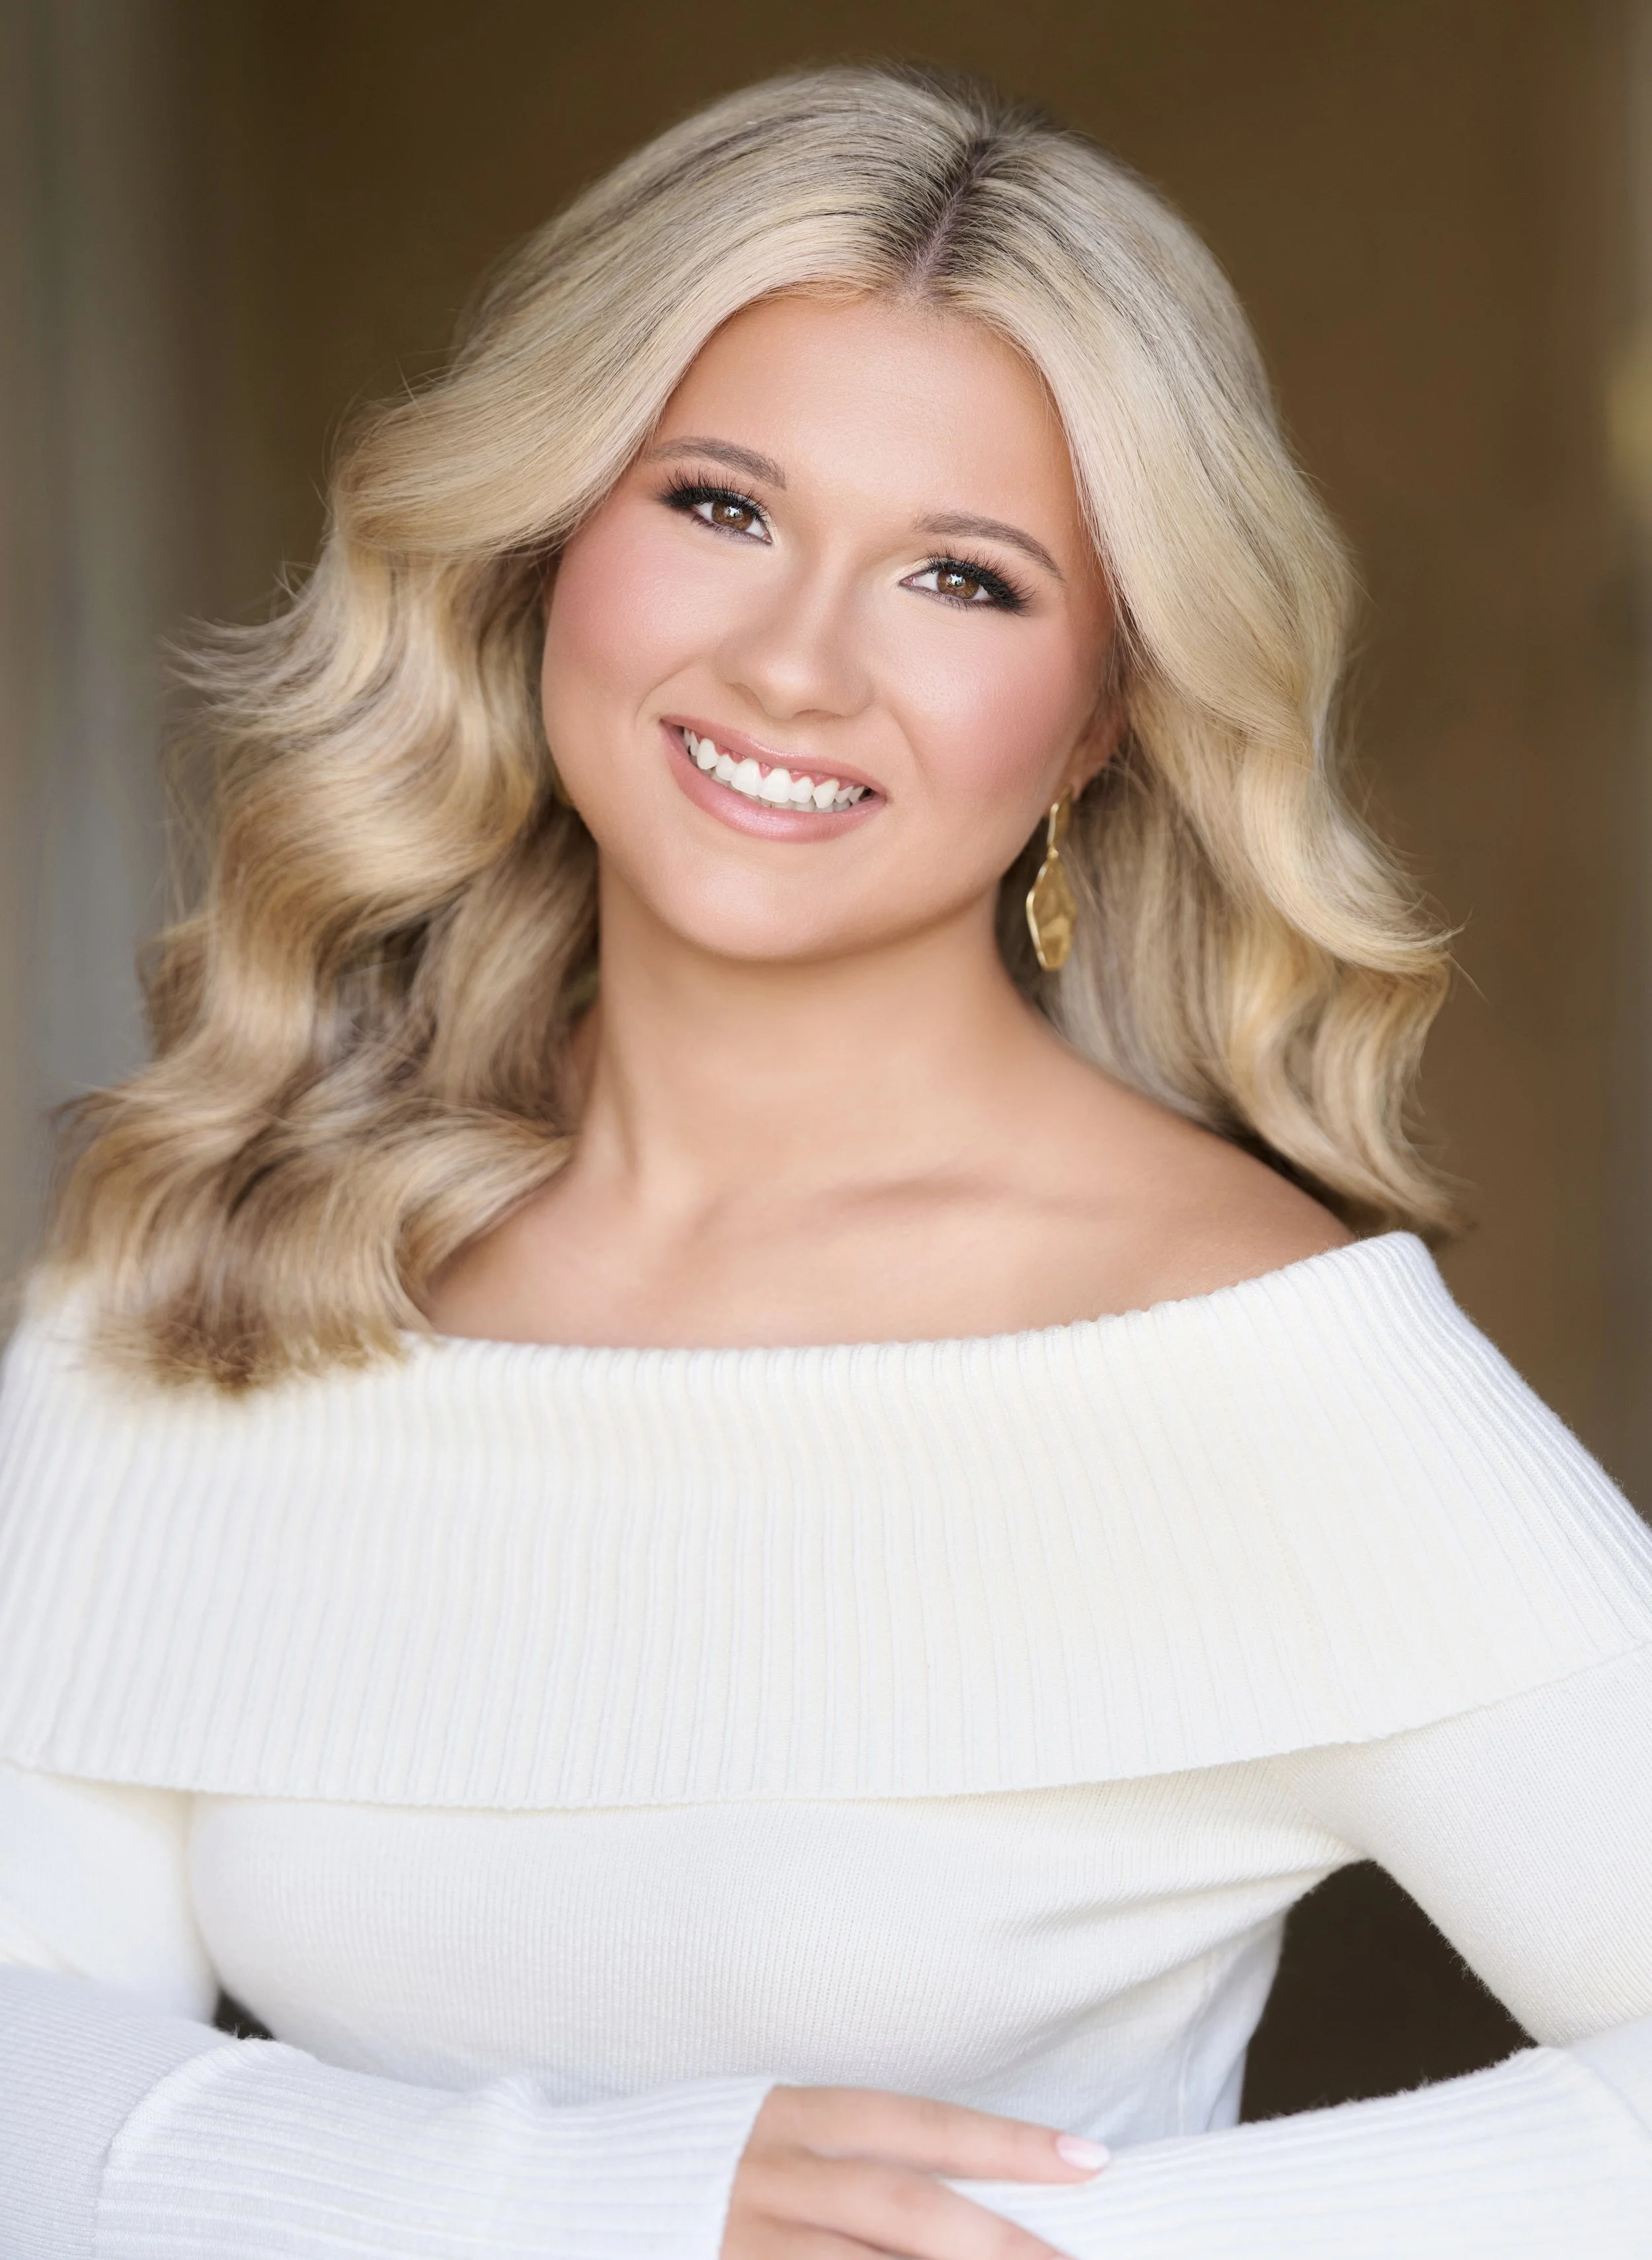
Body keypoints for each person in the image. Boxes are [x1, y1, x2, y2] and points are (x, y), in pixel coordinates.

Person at [0, 61, 1648, 2260]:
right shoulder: (219, 1242)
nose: (789, 662)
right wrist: (585, 2204)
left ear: (1096, 716)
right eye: (716, 506)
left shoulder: (1252, 1361)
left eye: (960, 578)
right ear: (548, 540)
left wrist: (1058, 2246)